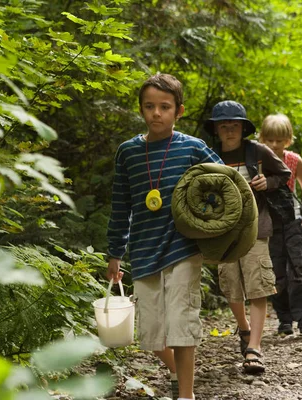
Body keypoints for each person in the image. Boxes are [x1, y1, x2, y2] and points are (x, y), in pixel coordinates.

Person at [106, 73, 222, 400]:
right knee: (152, 333)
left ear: (179, 111)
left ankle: (186, 395)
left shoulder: (193, 148)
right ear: (141, 110)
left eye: (165, 107)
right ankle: (173, 370)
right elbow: (120, 206)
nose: (157, 113)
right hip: (143, 252)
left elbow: (225, 186)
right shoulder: (128, 152)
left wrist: (210, 218)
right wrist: (115, 254)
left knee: (182, 325)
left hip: (182, 249)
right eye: (149, 106)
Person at [203, 100, 291, 374]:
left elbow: (284, 174)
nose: (230, 131)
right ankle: (244, 328)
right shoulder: (208, 155)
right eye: (224, 126)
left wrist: (269, 183)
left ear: (243, 128)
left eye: (235, 126)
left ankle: (254, 348)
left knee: (258, 286)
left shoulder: (258, 151)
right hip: (222, 231)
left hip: (256, 228)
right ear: (216, 129)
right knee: (231, 286)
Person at [259, 113, 302, 335]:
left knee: (298, 266)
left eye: (279, 140)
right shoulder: (259, 161)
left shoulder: (294, 160)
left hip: (293, 219)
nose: (274, 145)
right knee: (276, 270)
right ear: (262, 139)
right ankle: (284, 319)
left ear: (288, 140)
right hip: (269, 222)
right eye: (270, 140)